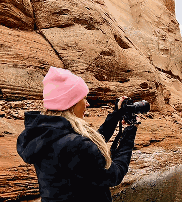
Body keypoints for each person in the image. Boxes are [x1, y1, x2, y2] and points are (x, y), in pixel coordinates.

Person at [17, 66, 138, 202]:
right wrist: (129, 133)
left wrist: (115, 115)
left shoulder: (45, 135)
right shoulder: (77, 145)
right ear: (71, 103)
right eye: (84, 98)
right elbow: (114, 175)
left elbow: (90, 147)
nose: (87, 104)